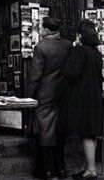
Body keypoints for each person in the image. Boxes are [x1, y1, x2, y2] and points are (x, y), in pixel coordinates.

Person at [28, 17, 72, 179]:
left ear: (46, 30)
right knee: (59, 130)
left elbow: (35, 76)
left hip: (45, 93)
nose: (40, 30)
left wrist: (29, 96)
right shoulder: (68, 45)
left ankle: (47, 171)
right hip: (63, 92)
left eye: (41, 27)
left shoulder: (41, 47)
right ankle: (61, 169)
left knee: (45, 130)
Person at [60, 20, 103, 180]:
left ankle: (90, 171)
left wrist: (72, 50)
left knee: (86, 134)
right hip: (95, 97)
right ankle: (89, 169)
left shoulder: (80, 50)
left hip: (83, 99)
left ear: (80, 34)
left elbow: (71, 72)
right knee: (91, 133)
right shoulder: (96, 53)